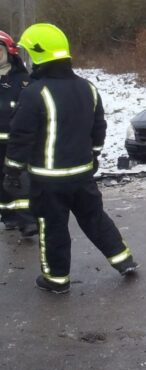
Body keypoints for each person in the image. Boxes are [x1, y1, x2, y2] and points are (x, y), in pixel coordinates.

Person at [3, 23, 138, 294]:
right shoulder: (88, 88)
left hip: (47, 180)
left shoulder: (35, 92)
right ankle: (123, 260)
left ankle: (56, 280)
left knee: (52, 229)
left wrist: (12, 171)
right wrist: (95, 156)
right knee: (94, 218)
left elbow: (21, 136)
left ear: (38, 55)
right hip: (82, 174)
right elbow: (99, 128)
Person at [0, 30, 37, 236]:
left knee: (20, 179)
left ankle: (27, 220)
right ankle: (9, 217)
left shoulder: (24, 81)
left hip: (17, 143)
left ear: (9, 52)